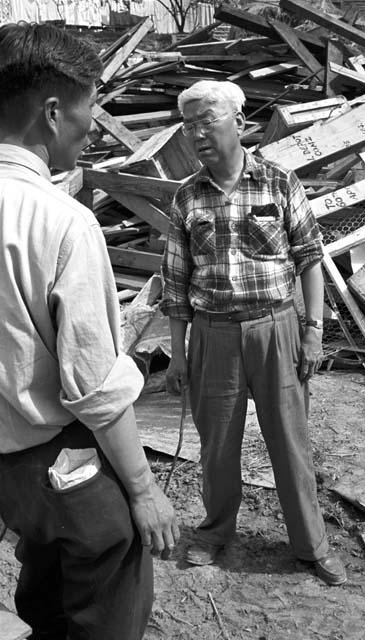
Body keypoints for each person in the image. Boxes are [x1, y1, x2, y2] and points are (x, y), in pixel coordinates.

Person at [0, 22, 179, 640]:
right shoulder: (59, 221)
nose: (94, 124)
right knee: (112, 570)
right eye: (89, 106)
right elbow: (94, 381)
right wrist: (144, 488)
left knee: (44, 593)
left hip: (10, 470)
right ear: (53, 112)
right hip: (54, 457)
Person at [161, 80, 346, 586]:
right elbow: (175, 285)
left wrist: (312, 331)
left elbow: (310, 259)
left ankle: (311, 544)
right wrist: (177, 354)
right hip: (213, 334)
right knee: (216, 443)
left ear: (239, 124)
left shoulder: (279, 183)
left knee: (290, 441)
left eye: (207, 121)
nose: (197, 134)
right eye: (188, 125)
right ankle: (217, 531)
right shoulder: (186, 198)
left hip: (276, 328)